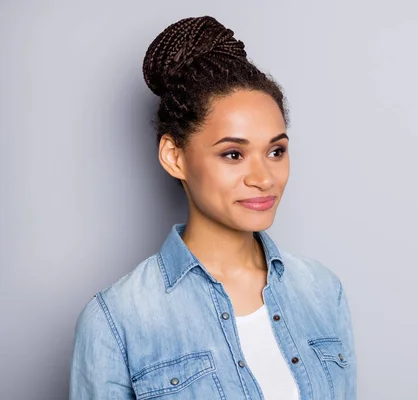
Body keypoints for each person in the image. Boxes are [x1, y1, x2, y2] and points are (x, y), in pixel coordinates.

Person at [69, 16, 356, 400]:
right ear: (175, 157)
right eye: (234, 154)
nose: (264, 177)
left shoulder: (323, 291)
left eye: (276, 151)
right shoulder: (116, 321)